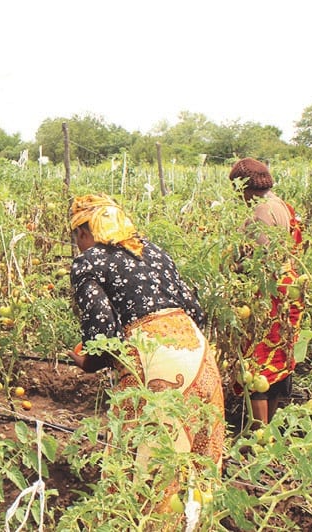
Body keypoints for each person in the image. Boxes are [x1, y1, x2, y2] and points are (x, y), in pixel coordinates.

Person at [67, 194, 225, 472]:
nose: (79, 245)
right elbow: (196, 312)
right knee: (197, 464)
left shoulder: (88, 261)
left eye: (77, 237)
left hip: (153, 361)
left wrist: (89, 362)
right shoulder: (155, 252)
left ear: (83, 232)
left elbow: (103, 330)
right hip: (198, 354)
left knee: (142, 466)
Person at [229, 158, 304, 426]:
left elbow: (256, 262)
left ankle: (259, 432)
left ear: (245, 188)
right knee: (278, 359)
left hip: (267, 294)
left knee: (256, 361)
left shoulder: (258, 211)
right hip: (289, 289)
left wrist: (232, 267)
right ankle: (268, 426)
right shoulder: (282, 205)